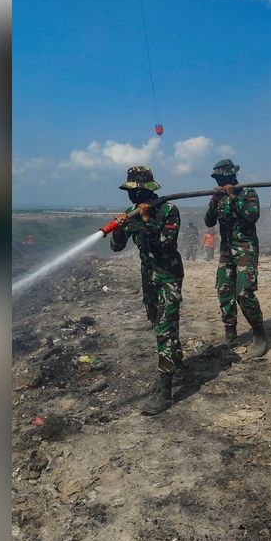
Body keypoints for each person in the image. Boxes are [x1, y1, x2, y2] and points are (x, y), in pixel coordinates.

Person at [109, 165, 184, 415]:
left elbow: (166, 246)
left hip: (168, 276)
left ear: (144, 191)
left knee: (164, 329)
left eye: (134, 192)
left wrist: (147, 220)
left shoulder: (167, 211)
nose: (131, 196)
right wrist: (120, 228)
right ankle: (177, 359)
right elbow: (117, 247)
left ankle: (165, 392)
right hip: (149, 277)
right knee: (157, 322)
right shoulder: (131, 212)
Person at [204, 159, 268, 356]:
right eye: (217, 178)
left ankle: (259, 333)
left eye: (222, 177)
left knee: (244, 293)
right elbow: (209, 221)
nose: (220, 181)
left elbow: (251, 216)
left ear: (231, 176)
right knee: (224, 291)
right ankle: (230, 332)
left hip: (245, 250)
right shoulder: (218, 196)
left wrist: (233, 196)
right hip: (226, 251)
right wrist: (214, 200)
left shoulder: (247, 192)